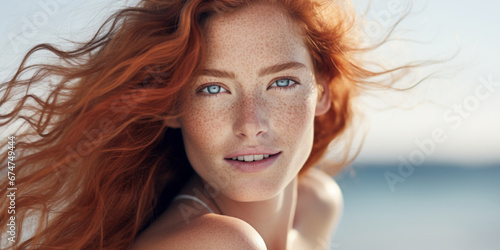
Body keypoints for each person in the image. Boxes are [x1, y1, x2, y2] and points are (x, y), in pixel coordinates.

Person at [0, 0, 406, 249]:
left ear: (324, 92)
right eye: (212, 89)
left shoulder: (318, 205)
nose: (250, 124)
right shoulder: (222, 244)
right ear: (172, 105)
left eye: (282, 82)